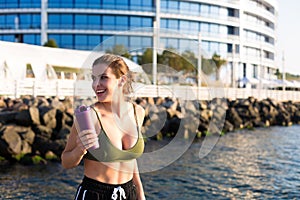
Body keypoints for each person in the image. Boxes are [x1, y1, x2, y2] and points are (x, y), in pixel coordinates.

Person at [61, 54, 146, 200]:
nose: (95, 84)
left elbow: (130, 160)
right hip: (96, 194)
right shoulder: (89, 117)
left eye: (103, 77)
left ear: (122, 80)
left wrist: (140, 194)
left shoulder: (137, 112)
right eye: (93, 78)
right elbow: (66, 162)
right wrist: (80, 150)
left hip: (128, 192)